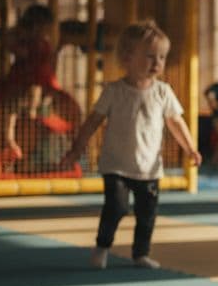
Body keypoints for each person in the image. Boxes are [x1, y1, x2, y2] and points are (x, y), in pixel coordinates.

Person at [60, 21, 202, 269]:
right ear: (127, 57)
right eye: (149, 56)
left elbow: (176, 122)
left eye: (161, 57)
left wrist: (190, 148)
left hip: (149, 168)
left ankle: (140, 253)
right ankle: (102, 247)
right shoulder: (114, 91)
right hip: (116, 165)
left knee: (147, 215)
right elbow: (92, 121)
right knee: (116, 207)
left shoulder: (163, 92)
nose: (157, 62)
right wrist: (76, 149)